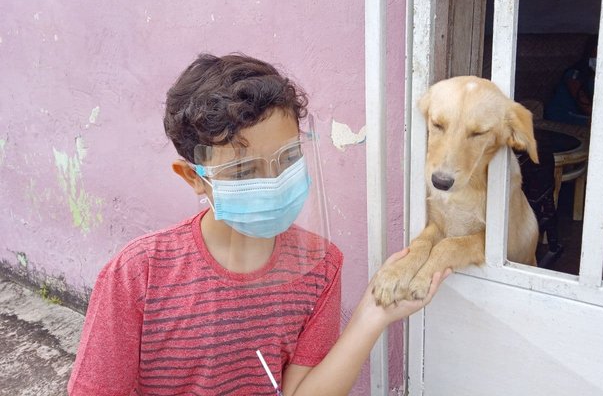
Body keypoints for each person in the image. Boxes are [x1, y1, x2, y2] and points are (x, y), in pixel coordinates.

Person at [67, 53, 451, 396]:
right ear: (194, 177)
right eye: (245, 170)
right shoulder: (138, 273)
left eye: (287, 159)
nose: (272, 182)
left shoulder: (320, 266)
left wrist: (373, 313)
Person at [545, 37, 603, 186]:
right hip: (563, 115)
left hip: (586, 114)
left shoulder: (600, 76)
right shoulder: (575, 74)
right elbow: (587, 108)